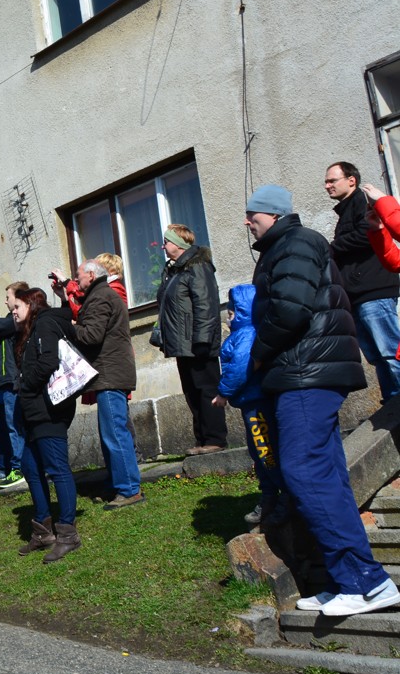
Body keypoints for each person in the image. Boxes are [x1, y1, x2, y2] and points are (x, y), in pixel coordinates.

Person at [245, 184, 399, 616]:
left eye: (251, 213)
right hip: (305, 371)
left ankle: (366, 582)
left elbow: (290, 311)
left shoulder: (296, 243)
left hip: (305, 373)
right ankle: (348, 578)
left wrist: (256, 356)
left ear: (272, 214)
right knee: (325, 475)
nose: (246, 220)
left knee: (304, 470)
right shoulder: (287, 245)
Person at [12, 288, 82, 562]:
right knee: (31, 467)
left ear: (30, 304)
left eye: (17, 306)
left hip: (49, 411)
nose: (14, 311)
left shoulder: (46, 324)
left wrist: (27, 388)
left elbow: (49, 361)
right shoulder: (32, 329)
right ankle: (43, 531)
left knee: (57, 469)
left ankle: (68, 535)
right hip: (34, 413)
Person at [326, 162, 400, 401]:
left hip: (374, 291)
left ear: (351, 180)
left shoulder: (361, 202)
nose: (327, 186)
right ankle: (392, 406)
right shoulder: (346, 209)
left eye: (332, 180)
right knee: (377, 357)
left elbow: (367, 236)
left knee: (390, 352)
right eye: (326, 182)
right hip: (357, 294)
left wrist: (331, 248)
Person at [73, 259, 143, 510]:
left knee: (115, 433)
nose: (77, 280)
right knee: (113, 433)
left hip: (110, 374)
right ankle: (120, 484)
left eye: (79, 275)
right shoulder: (100, 294)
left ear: (91, 275)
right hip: (110, 372)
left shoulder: (100, 297)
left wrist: (72, 328)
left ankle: (129, 490)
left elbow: (91, 335)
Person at [211, 284, 283, 526]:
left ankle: (281, 498)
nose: (228, 317)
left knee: (265, 450)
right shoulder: (243, 333)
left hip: (256, 403)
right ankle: (270, 495)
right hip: (251, 402)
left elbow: (240, 367)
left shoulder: (246, 334)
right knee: (258, 450)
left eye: (231, 312)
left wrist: (223, 392)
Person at [154, 224, 227, 454]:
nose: (163, 245)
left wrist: (203, 340)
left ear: (179, 243)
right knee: (192, 391)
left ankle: (215, 439)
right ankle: (202, 440)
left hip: (198, 342)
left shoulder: (198, 266)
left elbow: (206, 305)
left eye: (166, 241)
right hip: (183, 343)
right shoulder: (176, 270)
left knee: (206, 389)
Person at [0, 283, 30, 494]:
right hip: (6, 381)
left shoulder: (15, 320)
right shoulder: (11, 320)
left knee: (14, 426)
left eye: (8, 296)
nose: (6, 300)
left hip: (12, 379)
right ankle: (17, 467)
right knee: (11, 426)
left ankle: (19, 469)